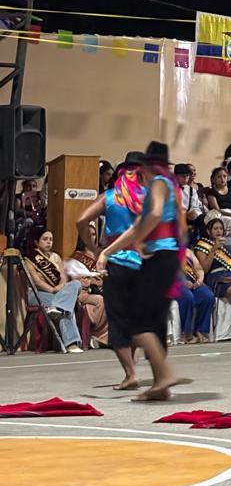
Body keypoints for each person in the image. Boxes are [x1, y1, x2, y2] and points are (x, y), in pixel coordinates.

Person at [97, 140, 188, 401]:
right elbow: (139, 227)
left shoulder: (158, 183)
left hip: (159, 257)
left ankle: (166, 375)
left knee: (138, 322)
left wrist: (139, 240)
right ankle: (160, 386)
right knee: (154, 322)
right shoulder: (170, 187)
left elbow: (152, 217)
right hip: (167, 257)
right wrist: (108, 251)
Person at [75, 152, 144, 388]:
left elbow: (81, 220)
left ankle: (130, 373)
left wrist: (94, 249)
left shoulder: (110, 197)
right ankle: (133, 366)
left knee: (117, 318)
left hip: (118, 261)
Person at [23, 228, 84, 352]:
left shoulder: (56, 257)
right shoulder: (29, 259)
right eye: (45, 239)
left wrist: (60, 286)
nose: (49, 242)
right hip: (37, 294)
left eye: (51, 239)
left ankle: (57, 307)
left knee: (76, 284)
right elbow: (36, 281)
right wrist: (53, 290)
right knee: (65, 305)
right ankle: (71, 343)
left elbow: (63, 277)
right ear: (36, 242)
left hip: (57, 293)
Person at [64, 221, 109, 346]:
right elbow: (78, 280)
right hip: (83, 293)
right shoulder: (77, 257)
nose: (91, 237)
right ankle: (96, 335)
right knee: (102, 301)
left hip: (102, 290)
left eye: (93, 234)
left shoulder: (100, 255)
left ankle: (104, 339)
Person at [177, 247, 215, 344]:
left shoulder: (187, 251)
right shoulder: (163, 251)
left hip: (193, 282)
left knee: (207, 296)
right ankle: (187, 333)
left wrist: (200, 280)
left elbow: (198, 267)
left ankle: (201, 331)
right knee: (188, 297)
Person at [174, 163, 204, 242]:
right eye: (183, 176)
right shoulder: (170, 189)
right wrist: (184, 214)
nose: (185, 178)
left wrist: (195, 213)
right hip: (176, 216)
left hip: (189, 216)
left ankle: (200, 242)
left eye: (187, 176)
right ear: (176, 176)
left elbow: (196, 206)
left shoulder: (191, 190)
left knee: (202, 218)